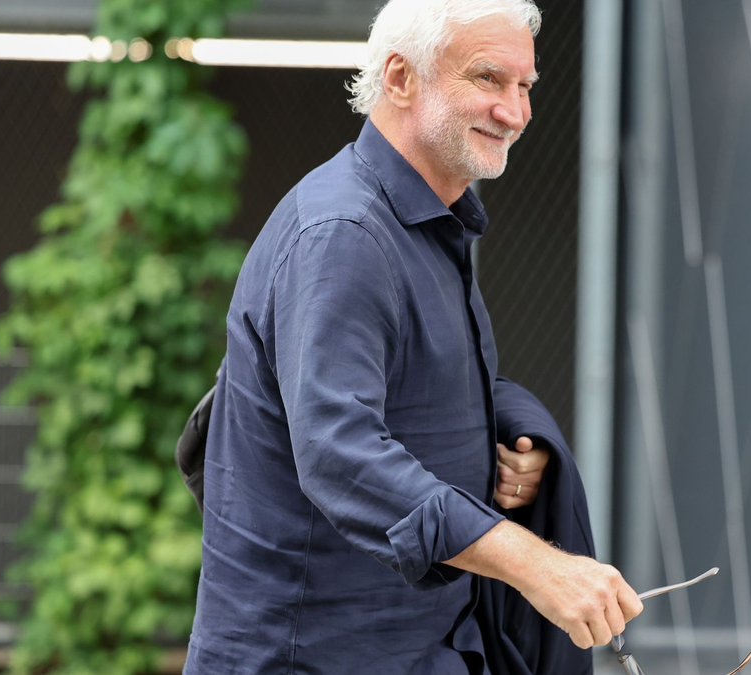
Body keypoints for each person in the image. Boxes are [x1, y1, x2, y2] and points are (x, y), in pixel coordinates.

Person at [184, 0, 643, 672]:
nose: (515, 113)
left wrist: (508, 445)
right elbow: (340, 452)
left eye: (525, 87)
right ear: (399, 78)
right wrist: (535, 565)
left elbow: (424, 392)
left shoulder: (430, 222)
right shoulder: (344, 233)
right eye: (488, 79)